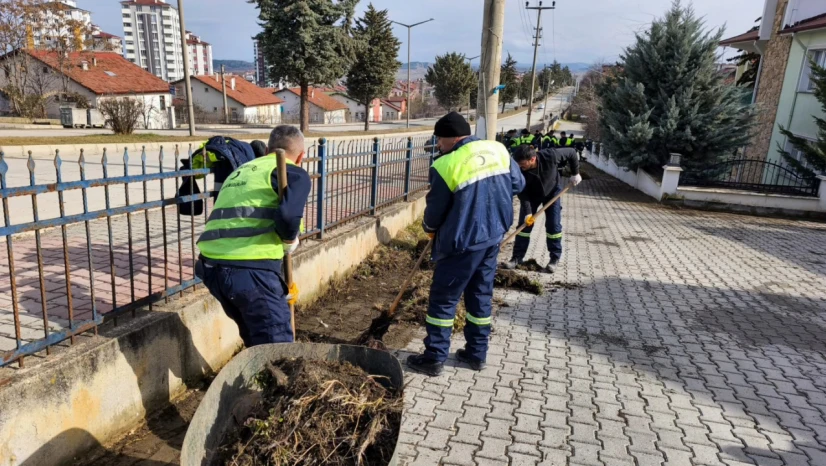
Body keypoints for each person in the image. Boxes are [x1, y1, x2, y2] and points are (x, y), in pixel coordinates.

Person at [406, 112, 525, 377]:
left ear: (452, 138)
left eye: (439, 140)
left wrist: (429, 229)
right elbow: (518, 184)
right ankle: (476, 354)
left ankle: (434, 358)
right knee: (480, 296)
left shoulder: (446, 165)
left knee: (444, 300)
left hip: (461, 244)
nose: (438, 145)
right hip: (492, 238)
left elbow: (435, 211)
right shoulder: (499, 151)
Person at [195, 126, 312, 346]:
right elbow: (288, 217)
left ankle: (258, 377)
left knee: (256, 338)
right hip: (250, 271)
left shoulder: (242, 170)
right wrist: (289, 240)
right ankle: (275, 379)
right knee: (276, 346)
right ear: (301, 156)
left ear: (267, 149)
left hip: (212, 268)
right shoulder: (291, 172)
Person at [504, 144, 582, 274]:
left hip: (552, 193)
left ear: (532, 159)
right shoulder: (519, 171)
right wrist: (528, 213)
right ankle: (517, 258)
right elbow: (522, 192)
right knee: (523, 227)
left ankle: (554, 259)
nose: (520, 167)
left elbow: (572, 152)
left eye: (523, 164)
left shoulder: (550, 156)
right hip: (531, 196)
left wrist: (575, 173)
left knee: (553, 226)